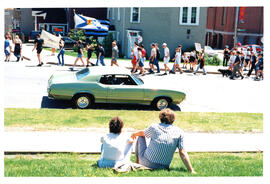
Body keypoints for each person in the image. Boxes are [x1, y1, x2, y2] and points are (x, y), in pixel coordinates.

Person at [131, 108, 196, 173]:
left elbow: (142, 133)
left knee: (140, 137)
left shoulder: (154, 127)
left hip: (147, 163)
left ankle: (137, 163)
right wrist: (191, 170)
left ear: (160, 117)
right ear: (173, 119)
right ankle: (138, 163)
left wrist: (134, 134)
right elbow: (183, 153)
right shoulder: (180, 132)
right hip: (164, 166)